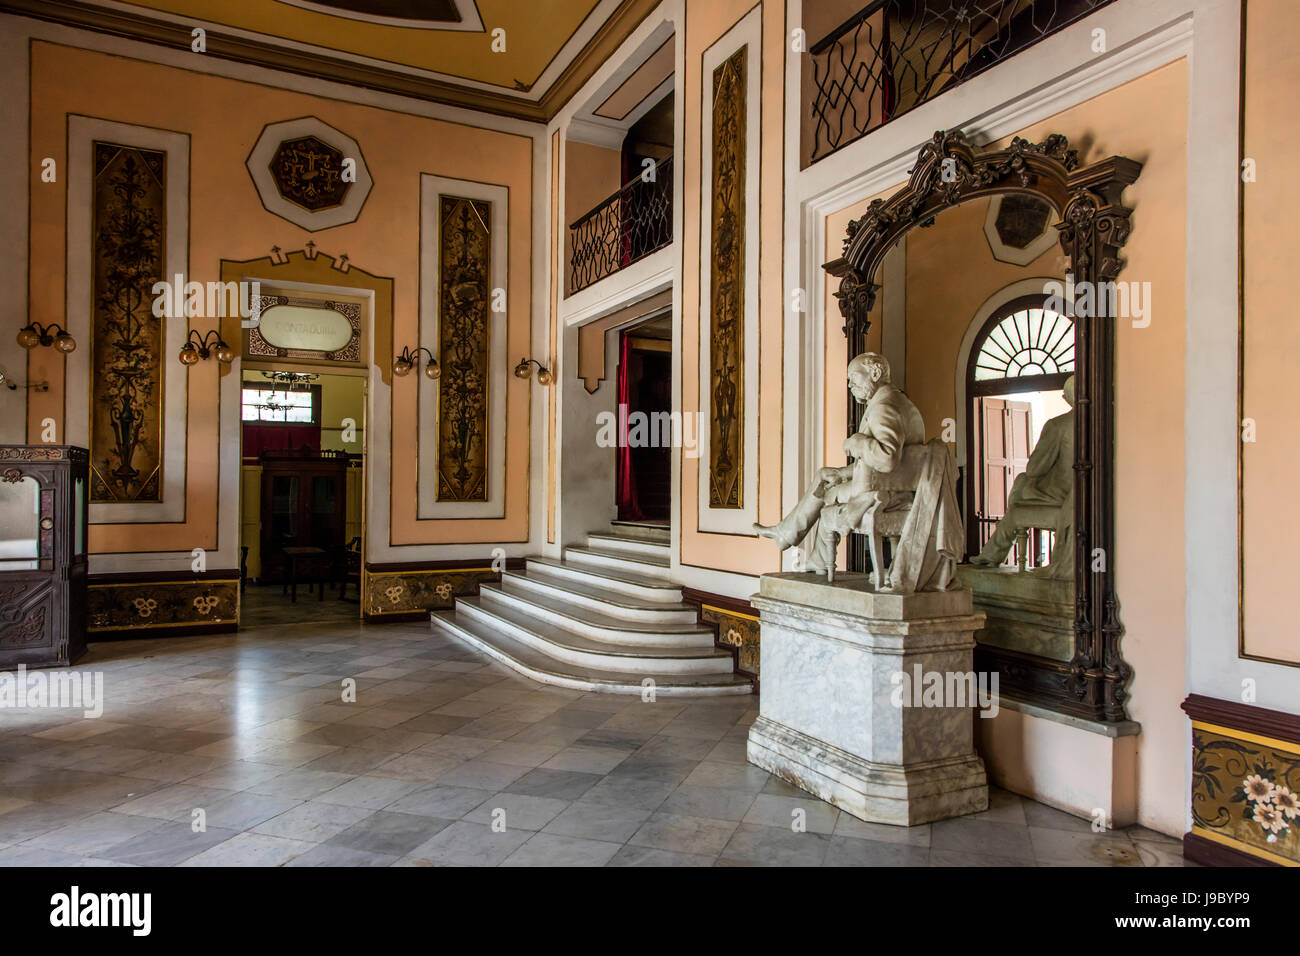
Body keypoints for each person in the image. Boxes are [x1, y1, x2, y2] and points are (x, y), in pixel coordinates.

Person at [754, 352, 924, 574]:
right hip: (889, 484)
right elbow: (889, 464)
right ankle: (790, 534)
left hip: (885, 492)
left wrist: (858, 442)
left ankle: (789, 534)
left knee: (826, 493)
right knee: (825, 476)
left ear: (874, 372)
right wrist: (843, 473)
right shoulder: (896, 401)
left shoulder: (885, 406)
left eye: (854, 377)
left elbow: (887, 458)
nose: (850, 385)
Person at [969, 375, 1074, 576]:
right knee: (1021, 488)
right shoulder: (1102, 424)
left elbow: (1035, 468)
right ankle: (991, 553)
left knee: (1021, 484)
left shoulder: (1058, 425)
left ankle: (992, 554)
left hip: (1060, 494)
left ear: (1067, 397)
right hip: (1074, 492)